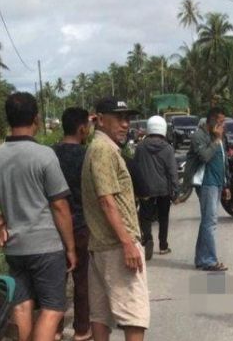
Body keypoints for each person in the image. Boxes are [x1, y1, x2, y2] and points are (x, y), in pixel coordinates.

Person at [0, 92, 77, 341]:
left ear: (8, 119)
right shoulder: (45, 155)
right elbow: (60, 206)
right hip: (46, 246)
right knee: (53, 307)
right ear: (36, 118)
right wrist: (70, 247)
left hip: (15, 248)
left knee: (22, 305)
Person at [81, 97, 149, 341]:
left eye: (127, 119)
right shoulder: (102, 150)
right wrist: (128, 243)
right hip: (117, 248)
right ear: (100, 119)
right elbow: (106, 200)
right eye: (119, 118)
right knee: (134, 317)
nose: (125, 124)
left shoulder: (101, 148)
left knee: (100, 317)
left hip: (102, 247)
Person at [52, 107, 93, 341]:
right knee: (82, 281)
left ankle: (55, 329)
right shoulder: (87, 155)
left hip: (54, 226)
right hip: (81, 226)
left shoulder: (50, 154)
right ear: (82, 129)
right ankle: (81, 330)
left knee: (57, 281)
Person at [185, 107, 231, 271]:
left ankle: (201, 258)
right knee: (210, 222)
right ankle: (209, 260)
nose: (223, 125)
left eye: (223, 122)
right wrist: (216, 140)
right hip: (206, 183)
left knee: (207, 221)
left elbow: (223, 160)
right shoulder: (200, 136)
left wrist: (226, 184)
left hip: (217, 182)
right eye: (220, 122)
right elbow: (204, 156)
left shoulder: (219, 137)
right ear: (211, 121)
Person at [133, 115, 179, 260]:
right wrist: (176, 191)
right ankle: (163, 245)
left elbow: (136, 167)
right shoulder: (168, 148)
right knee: (163, 218)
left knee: (145, 217)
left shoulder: (140, 147)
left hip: (145, 189)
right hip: (163, 189)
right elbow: (172, 171)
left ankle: (147, 240)